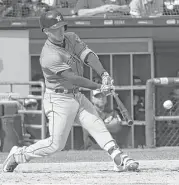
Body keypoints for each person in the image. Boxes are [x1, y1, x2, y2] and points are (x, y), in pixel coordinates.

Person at [3, 10, 139, 173]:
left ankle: (119, 157)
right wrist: (99, 87)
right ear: (46, 31)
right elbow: (72, 78)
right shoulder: (49, 55)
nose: (61, 31)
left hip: (76, 95)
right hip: (58, 100)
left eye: (62, 26)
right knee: (55, 145)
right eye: (55, 28)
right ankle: (18, 155)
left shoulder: (71, 37)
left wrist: (103, 74)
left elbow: (87, 55)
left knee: (96, 124)